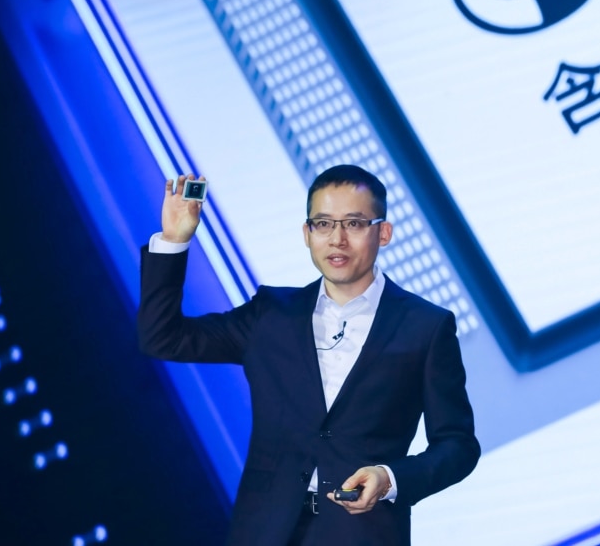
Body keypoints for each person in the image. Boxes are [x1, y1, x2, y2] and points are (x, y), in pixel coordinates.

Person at [138, 164, 480, 545]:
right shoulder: (271, 313)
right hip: (263, 531)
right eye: (323, 224)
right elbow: (162, 338)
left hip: (364, 533)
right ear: (307, 233)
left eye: (353, 223)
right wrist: (173, 240)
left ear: (383, 232)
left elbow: (458, 445)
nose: (337, 239)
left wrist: (391, 478)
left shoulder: (426, 327)